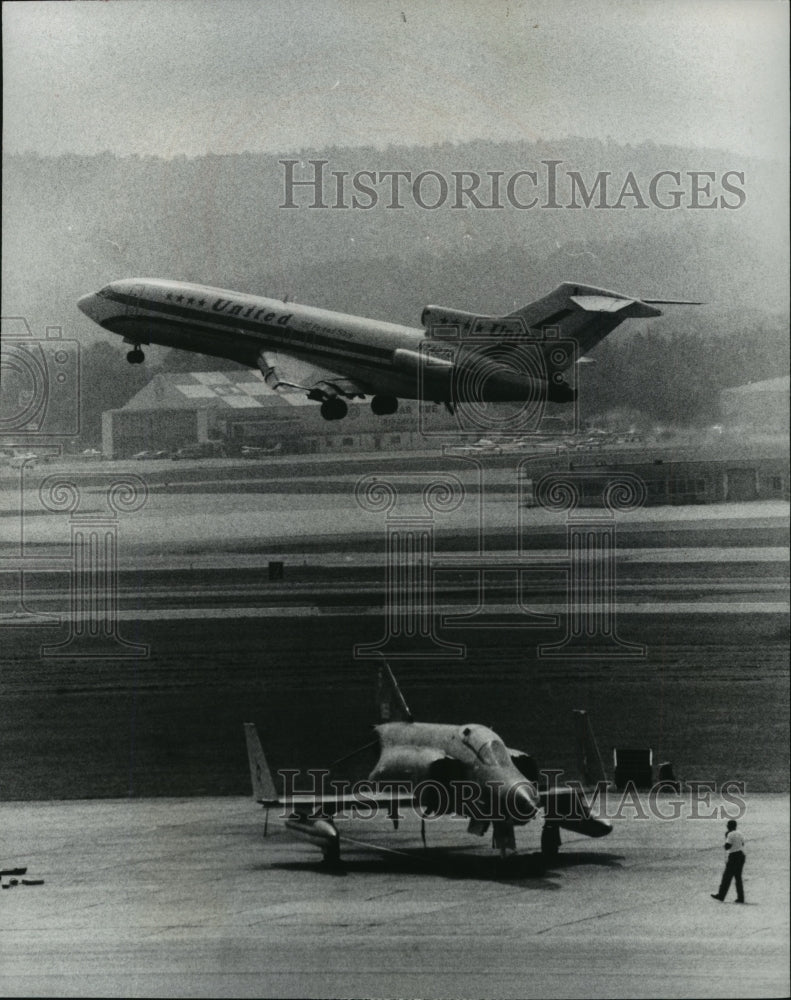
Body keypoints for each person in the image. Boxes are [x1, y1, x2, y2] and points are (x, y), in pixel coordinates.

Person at [711, 819, 746, 903]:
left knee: (726, 877)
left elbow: (727, 846)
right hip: (741, 855)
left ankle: (721, 895)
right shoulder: (739, 833)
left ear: (729, 826)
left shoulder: (730, 834)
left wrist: (725, 842)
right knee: (738, 878)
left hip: (733, 857)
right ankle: (741, 898)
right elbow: (742, 843)